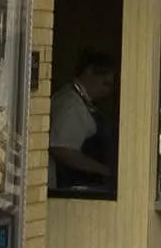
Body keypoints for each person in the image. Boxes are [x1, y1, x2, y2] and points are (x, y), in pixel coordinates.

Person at [48, 51, 118, 194]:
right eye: (105, 84)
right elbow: (61, 149)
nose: (107, 91)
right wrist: (103, 170)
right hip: (71, 186)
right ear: (89, 72)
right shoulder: (70, 104)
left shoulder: (82, 101)